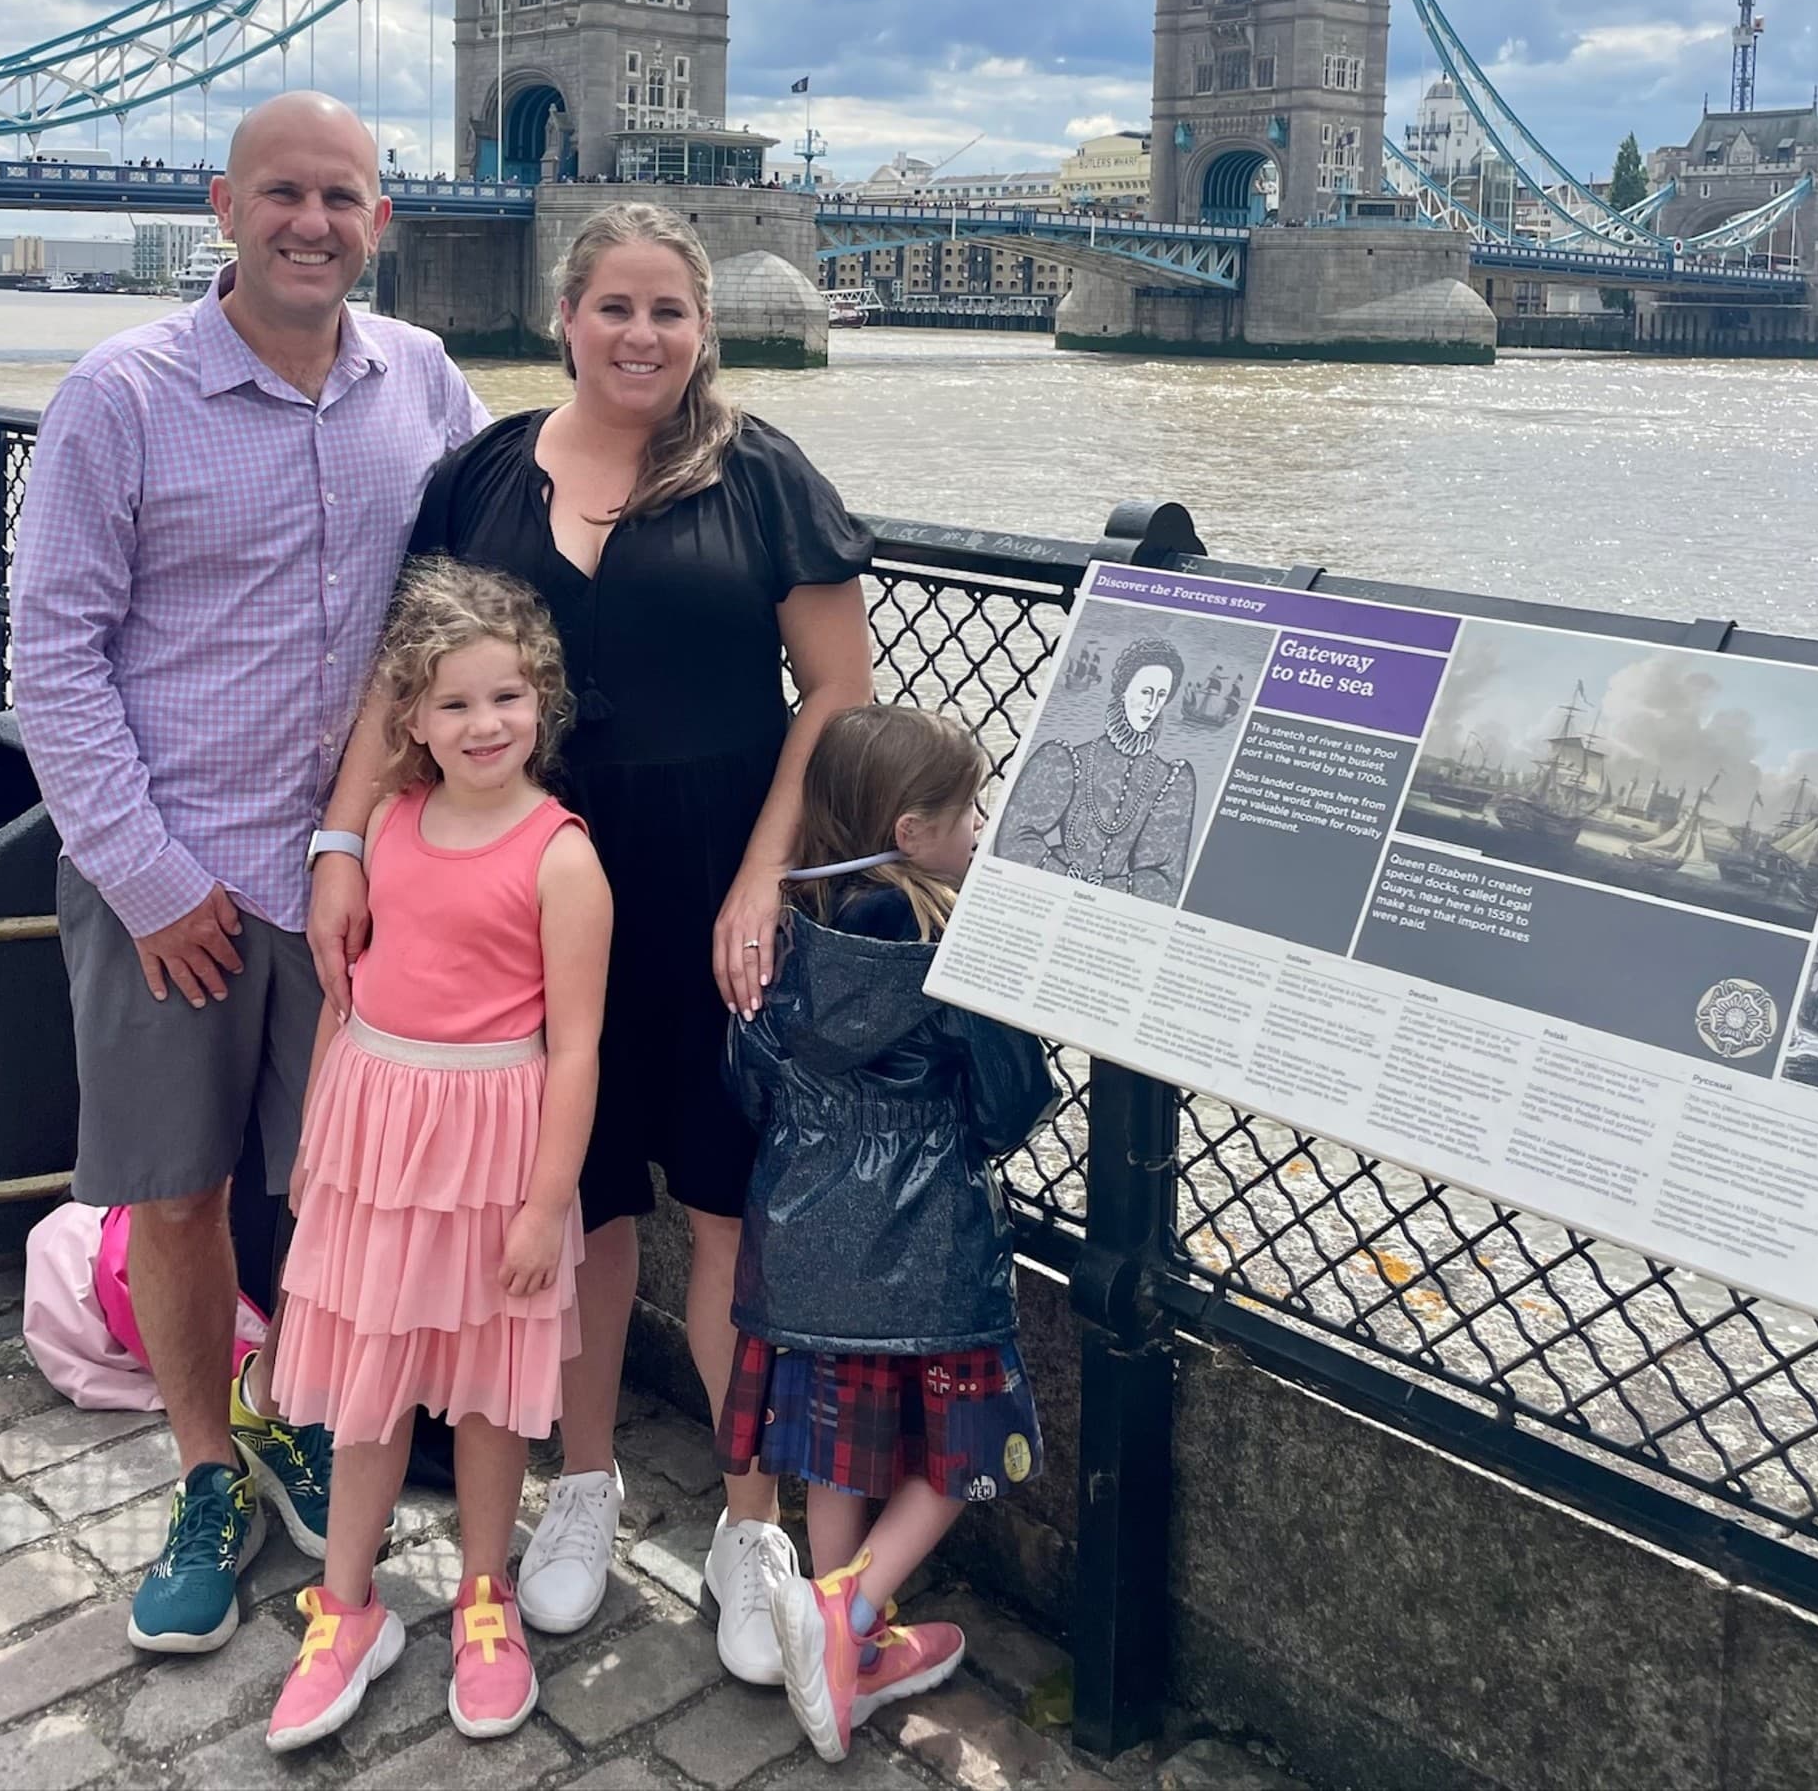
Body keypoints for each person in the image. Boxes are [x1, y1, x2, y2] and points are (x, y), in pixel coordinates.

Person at [307, 200, 874, 1685]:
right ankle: (583, 1478)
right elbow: (401, 675)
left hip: (709, 892)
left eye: (669, 311)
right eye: (615, 306)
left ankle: (750, 1520)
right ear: (567, 315)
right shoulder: (480, 476)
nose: (642, 335)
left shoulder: (761, 477)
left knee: (730, 1208)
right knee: (575, 1211)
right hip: (518, 896)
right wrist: (343, 837)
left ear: (705, 327)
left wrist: (765, 878)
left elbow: (836, 697)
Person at [10, 92, 488, 1657]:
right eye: (283, 192)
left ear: (382, 220)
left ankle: (299, 1420)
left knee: (341, 1187)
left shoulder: (423, 378)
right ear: (225, 206)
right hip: (176, 875)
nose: (312, 222)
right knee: (183, 1185)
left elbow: (491, 589)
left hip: (368, 874)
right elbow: (54, 656)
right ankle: (208, 1468)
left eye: (342, 197)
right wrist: (145, 877)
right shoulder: (120, 393)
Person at [265, 562, 611, 1751]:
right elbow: (342, 994)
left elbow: (574, 1053)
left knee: (484, 1391)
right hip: (373, 1133)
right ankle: (347, 1606)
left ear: (542, 703)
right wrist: (316, 1139)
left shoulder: (562, 857)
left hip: (493, 1151)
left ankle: (482, 1595)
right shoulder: (384, 832)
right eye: (455, 705)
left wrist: (544, 1203)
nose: (484, 726)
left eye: (507, 698)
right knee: (363, 1383)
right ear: (409, 718)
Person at [716, 704, 1053, 1763]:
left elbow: (745, 1081)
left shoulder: (779, 933)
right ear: (909, 831)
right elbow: (1009, 1105)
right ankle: (849, 1613)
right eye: (968, 813)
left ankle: (836, 1625)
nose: (979, 828)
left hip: (803, 1249)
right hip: (928, 1248)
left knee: (833, 1445)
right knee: (970, 1448)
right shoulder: (959, 948)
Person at [994, 638, 1197, 904]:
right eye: (1146, 692)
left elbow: (1163, 882)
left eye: (1161, 696)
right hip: (1043, 897)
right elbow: (1013, 843)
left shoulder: (1170, 781)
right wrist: (1064, 877)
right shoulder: (1065, 760)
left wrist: (1101, 894)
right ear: (1124, 690)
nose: (1152, 705)